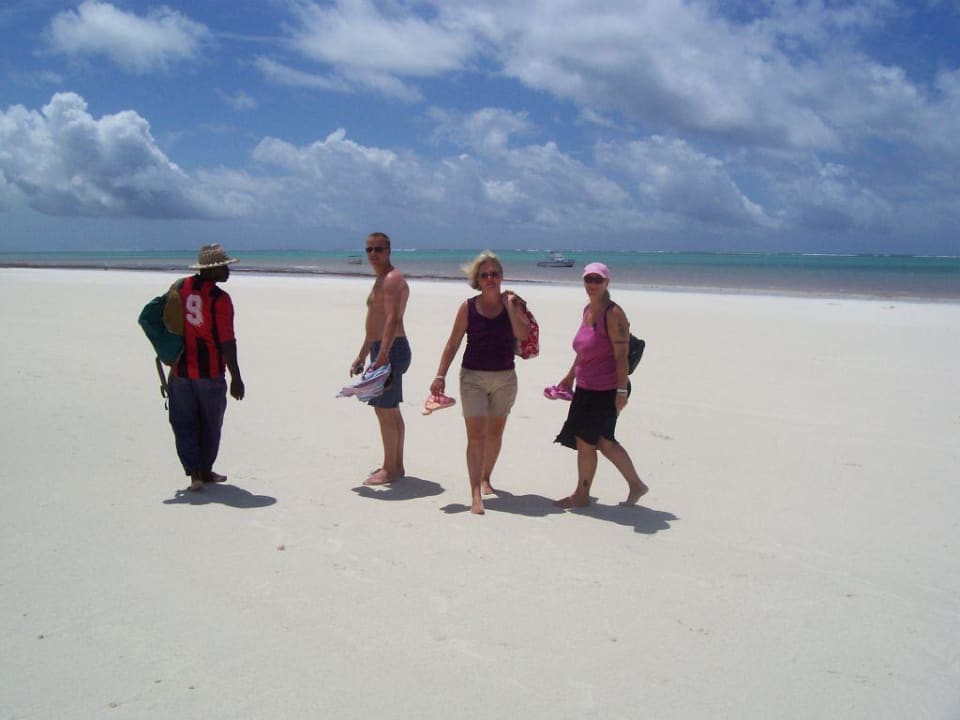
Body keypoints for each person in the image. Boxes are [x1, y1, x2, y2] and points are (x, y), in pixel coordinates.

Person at [430, 251, 530, 514]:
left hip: (505, 379)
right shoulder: (468, 307)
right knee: (476, 437)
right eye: (484, 275)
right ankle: (476, 493)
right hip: (472, 378)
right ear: (477, 279)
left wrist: (509, 307)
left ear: (501, 276)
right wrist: (440, 375)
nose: (490, 279)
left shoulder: (513, 304)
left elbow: (523, 333)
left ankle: (486, 477)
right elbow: (453, 343)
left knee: (495, 434)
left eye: (494, 274)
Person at [553, 262, 648, 508]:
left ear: (607, 282)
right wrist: (569, 376)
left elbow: (620, 356)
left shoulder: (614, 313)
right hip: (585, 387)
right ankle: (635, 485)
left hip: (606, 389)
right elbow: (584, 351)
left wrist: (621, 391)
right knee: (601, 441)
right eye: (588, 280)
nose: (592, 285)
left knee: (591, 441)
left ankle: (582, 495)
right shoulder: (587, 310)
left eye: (597, 280)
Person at [168, 244, 245, 492]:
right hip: (209, 372)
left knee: (184, 423)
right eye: (223, 267)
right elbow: (227, 341)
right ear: (211, 270)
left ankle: (196, 473)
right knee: (210, 424)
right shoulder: (220, 299)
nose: (227, 271)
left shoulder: (180, 287)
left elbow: (167, 320)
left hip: (179, 369)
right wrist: (236, 377)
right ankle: (203, 470)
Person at [350, 232, 412, 486]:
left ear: (389, 250)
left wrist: (382, 356)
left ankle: (390, 468)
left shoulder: (392, 279)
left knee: (385, 409)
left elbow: (391, 319)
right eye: (369, 250)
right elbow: (374, 324)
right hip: (381, 348)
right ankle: (395, 465)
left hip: (391, 349)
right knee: (389, 409)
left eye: (378, 249)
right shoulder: (380, 279)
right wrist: (362, 355)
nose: (373, 254)